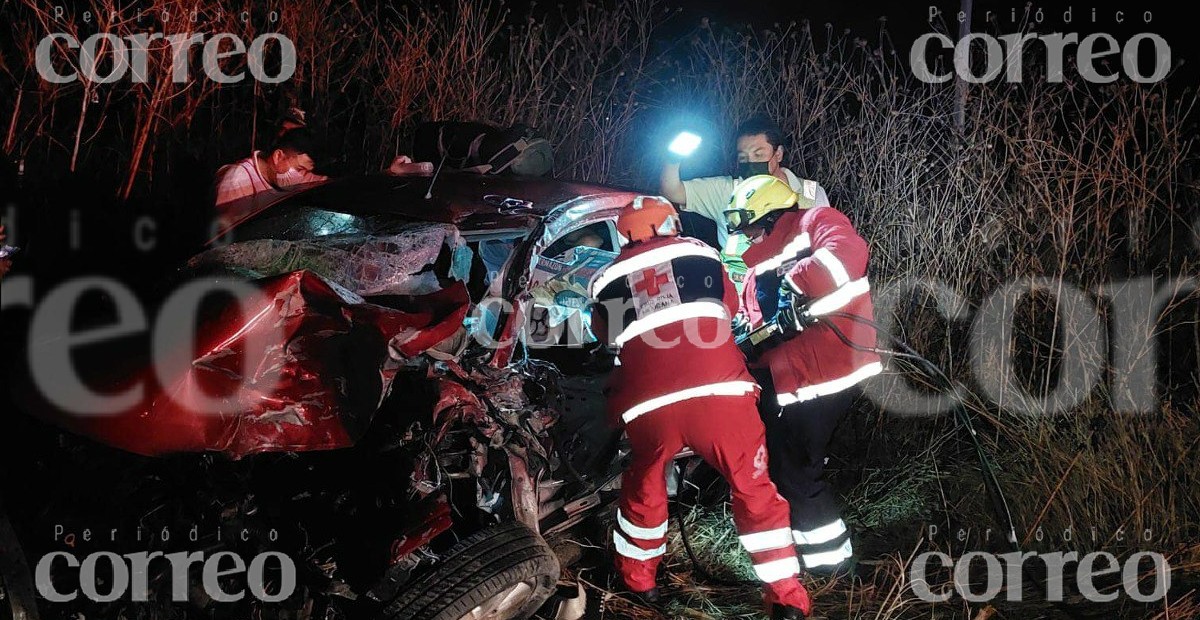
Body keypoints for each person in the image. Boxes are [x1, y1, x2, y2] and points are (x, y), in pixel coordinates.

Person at [589, 196, 813, 619]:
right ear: (671, 222)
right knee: (754, 491)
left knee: (644, 488)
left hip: (650, 409)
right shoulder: (701, 253)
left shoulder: (605, 280)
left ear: (624, 234)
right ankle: (786, 598)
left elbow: (608, 340)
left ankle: (640, 586)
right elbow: (729, 309)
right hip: (722, 398)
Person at [724, 175, 882, 576]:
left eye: (750, 225)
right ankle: (809, 554)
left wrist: (795, 284)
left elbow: (847, 254)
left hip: (823, 374)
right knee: (783, 467)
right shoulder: (759, 261)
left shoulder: (817, 221)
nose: (746, 235)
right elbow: (763, 324)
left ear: (772, 214)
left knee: (797, 472)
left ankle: (834, 567)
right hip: (791, 380)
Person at [659, 115, 832, 289]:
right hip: (740, 298)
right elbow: (673, 191)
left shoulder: (811, 193)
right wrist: (673, 158)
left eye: (759, 154)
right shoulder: (727, 190)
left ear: (778, 154)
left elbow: (827, 244)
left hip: (795, 294)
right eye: (743, 157)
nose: (751, 162)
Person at [214, 128, 433, 227]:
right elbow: (224, 244)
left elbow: (334, 187)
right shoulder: (237, 181)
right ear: (279, 156)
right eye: (298, 167)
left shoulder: (288, 175)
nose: (301, 176)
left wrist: (387, 174)